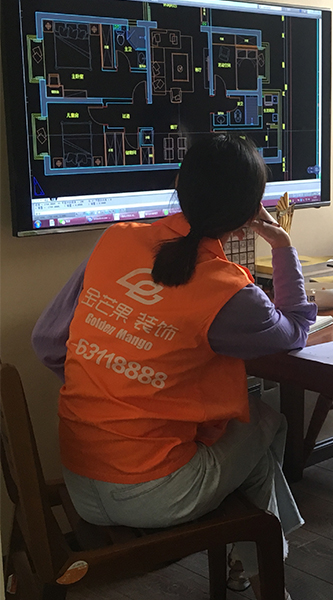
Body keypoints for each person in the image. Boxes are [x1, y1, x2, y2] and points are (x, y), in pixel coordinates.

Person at [31, 134, 317, 598]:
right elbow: (296, 328)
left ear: (179, 182)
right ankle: (264, 572)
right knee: (266, 423)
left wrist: (119, 382)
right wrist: (282, 246)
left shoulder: (115, 240)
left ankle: (245, 564)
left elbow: (46, 342)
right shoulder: (228, 291)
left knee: (249, 447)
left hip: (80, 479)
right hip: (154, 494)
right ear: (250, 214)